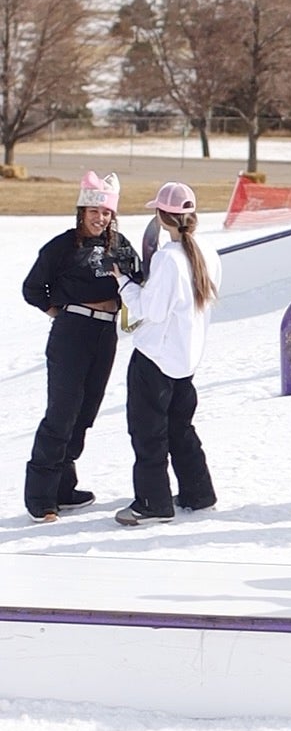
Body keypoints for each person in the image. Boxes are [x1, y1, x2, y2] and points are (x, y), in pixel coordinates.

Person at [22, 170, 141, 522]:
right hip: (72, 332)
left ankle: (64, 487)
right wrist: (58, 312)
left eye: (106, 213)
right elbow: (32, 288)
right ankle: (41, 498)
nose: (100, 218)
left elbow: (139, 275)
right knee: (61, 413)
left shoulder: (119, 244)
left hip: (105, 336)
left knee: (85, 412)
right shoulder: (62, 246)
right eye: (94, 212)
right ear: (82, 212)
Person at [110, 182, 221, 526]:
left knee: (148, 432)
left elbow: (151, 311)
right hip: (186, 360)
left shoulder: (168, 259)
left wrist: (123, 281)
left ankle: (152, 503)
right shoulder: (208, 251)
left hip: (154, 360)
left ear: (161, 216)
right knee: (181, 428)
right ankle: (198, 493)